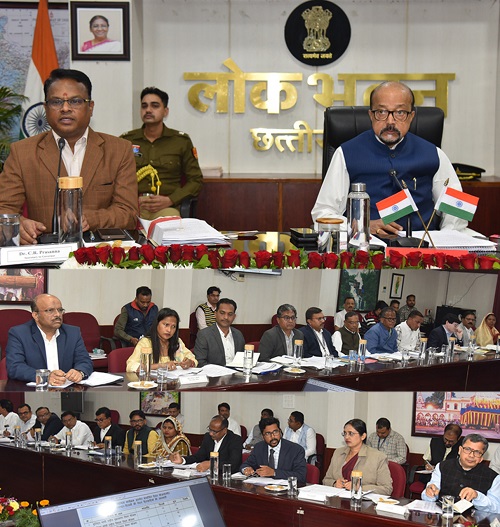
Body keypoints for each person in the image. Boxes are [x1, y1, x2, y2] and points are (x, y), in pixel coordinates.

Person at [0, 68, 138, 245]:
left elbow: (128, 213)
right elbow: (4, 208)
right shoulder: (22, 152)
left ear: (90, 107)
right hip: (45, 251)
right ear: (45, 108)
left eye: (75, 101)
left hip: (100, 251)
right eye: (56, 102)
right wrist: (18, 225)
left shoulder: (118, 150)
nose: (65, 108)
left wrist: (89, 219)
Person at [311, 81, 467, 237]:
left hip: (421, 244)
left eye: (400, 112)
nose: (390, 121)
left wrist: (445, 239)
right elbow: (323, 213)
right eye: (381, 112)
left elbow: (457, 210)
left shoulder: (434, 154)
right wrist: (362, 226)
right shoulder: (346, 153)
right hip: (367, 245)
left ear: (411, 116)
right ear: (371, 115)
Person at [121, 86, 203, 219]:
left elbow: (195, 181)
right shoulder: (126, 141)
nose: (148, 110)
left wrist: (171, 200)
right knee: (117, 225)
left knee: (169, 225)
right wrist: (129, 199)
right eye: (144, 106)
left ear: (165, 111)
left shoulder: (181, 141)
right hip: (133, 206)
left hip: (166, 207)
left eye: (155, 106)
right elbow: (114, 178)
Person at [6, 294, 93, 385]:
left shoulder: (72, 333)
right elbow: (15, 367)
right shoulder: (19, 333)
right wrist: (45, 376)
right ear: (36, 315)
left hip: (66, 389)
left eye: (60, 310)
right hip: (34, 390)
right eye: (50, 310)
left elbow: (85, 361)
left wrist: (79, 372)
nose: (57, 314)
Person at [422, 433, 500, 513]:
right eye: (467, 449)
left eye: (477, 452)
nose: (471, 455)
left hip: (473, 519)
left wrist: (477, 496)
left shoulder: (493, 477)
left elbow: (497, 508)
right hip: (443, 515)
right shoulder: (442, 466)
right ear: (460, 450)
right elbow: (429, 494)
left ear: (481, 458)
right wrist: (429, 493)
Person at [323, 418, 392, 495]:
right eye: (345, 433)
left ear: (363, 436)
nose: (346, 437)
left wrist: (359, 487)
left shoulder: (378, 457)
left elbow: (386, 489)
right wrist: (334, 483)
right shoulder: (338, 453)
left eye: (351, 433)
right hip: (338, 498)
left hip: (362, 500)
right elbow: (326, 480)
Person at [126, 308, 197, 373]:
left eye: (173, 326)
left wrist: (189, 362)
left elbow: (193, 359)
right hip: (151, 381)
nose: (169, 330)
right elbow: (131, 366)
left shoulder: (177, 342)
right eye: (166, 325)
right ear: (157, 324)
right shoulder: (146, 343)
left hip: (174, 382)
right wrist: (161, 366)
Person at [241, 417, 307, 484]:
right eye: (268, 433)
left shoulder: (295, 450)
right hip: (262, 488)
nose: (273, 436)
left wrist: (274, 472)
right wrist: (246, 469)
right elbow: (246, 464)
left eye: (275, 432)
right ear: (263, 436)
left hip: (285, 488)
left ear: (280, 431)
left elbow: (301, 476)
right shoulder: (259, 447)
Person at [170, 415, 242, 473]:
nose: (211, 433)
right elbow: (199, 456)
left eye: (214, 432)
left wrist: (212, 464)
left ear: (224, 430)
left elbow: (233, 464)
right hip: (208, 476)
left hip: (227, 478)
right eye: (210, 429)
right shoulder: (208, 437)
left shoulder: (235, 440)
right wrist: (183, 460)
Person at [193, 299, 245, 367]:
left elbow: (242, 360)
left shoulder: (238, 334)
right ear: (215, 314)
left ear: (234, 317)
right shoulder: (204, 335)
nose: (226, 317)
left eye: (230, 314)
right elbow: (200, 362)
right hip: (213, 373)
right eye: (222, 313)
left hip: (236, 372)